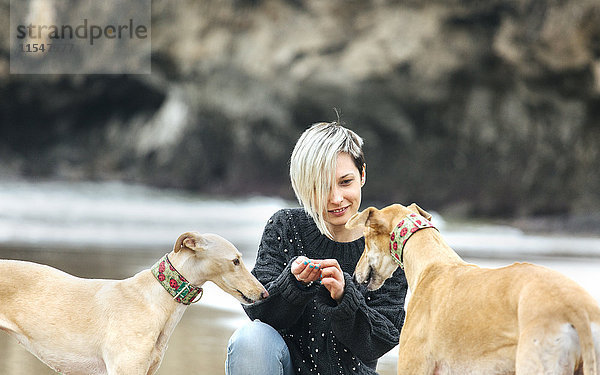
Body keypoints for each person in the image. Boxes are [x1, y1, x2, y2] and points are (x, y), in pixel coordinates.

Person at [225, 121, 408, 375]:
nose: (335, 198)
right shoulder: (285, 227)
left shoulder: (386, 245)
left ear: (362, 175)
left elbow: (382, 339)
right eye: (321, 186)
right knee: (251, 339)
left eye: (345, 182)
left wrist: (344, 297)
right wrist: (293, 285)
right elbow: (258, 308)